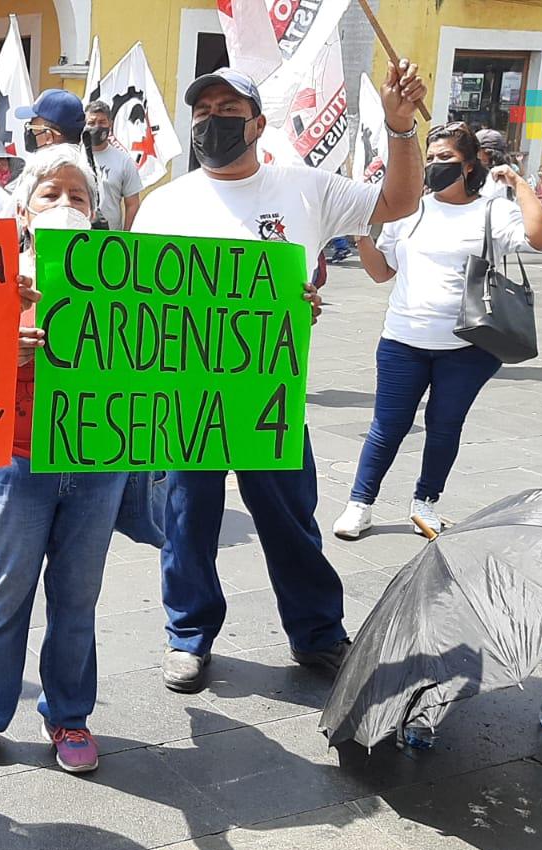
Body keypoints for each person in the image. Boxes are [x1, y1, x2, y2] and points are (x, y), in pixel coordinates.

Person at [132, 64, 427, 693]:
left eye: (229, 110)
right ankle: (189, 636)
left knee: (292, 519)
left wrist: (400, 129)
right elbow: (138, 306)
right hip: (187, 397)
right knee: (187, 521)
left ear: (259, 124)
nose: (213, 120)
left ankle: (318, 633)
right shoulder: (165, 204)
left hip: (270, 395)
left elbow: (398, 202)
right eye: (204, 109)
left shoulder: (305, 188)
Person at [0, 144, 124, 781]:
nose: (66, 204)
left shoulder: (127, 277)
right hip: (16, 462)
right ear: (23, 208)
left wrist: (287, 316)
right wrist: (0, 350)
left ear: (95, 212)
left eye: (79, 196)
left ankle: (69, 714)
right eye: (52, 195)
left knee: (78, 597)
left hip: (98, 461)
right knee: (3, 594)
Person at [333, 122, 542, 540]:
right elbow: (382, 273)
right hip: (402, 341)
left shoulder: (492, 209)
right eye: (431, 158)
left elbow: (541, 238)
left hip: (468, 347)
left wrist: (518, 183)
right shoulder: (410, 210)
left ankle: (425, 502)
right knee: (387, 425)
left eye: (446, 159)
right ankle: (359, 503)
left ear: (470, 165)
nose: (435, 166)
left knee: (444, 425)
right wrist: (362, 236)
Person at [82, 100, 143, 230]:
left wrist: (127, 238)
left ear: (110, 124)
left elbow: (132, 204)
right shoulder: (75, 157)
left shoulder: (124, 161)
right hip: (77, 234)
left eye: (102, 122)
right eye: (91, 123)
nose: (96, 127)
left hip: (111, 239)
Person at [17, 89, 85, 154]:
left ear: (48, 136)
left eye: (32, 127)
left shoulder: (43, 165)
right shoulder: (85, 163)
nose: (29, 132)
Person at [474, 128, 514, 200]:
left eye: (476, 151)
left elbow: (486, 199)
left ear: (487, 153)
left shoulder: (493, 177)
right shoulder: (505, 173)